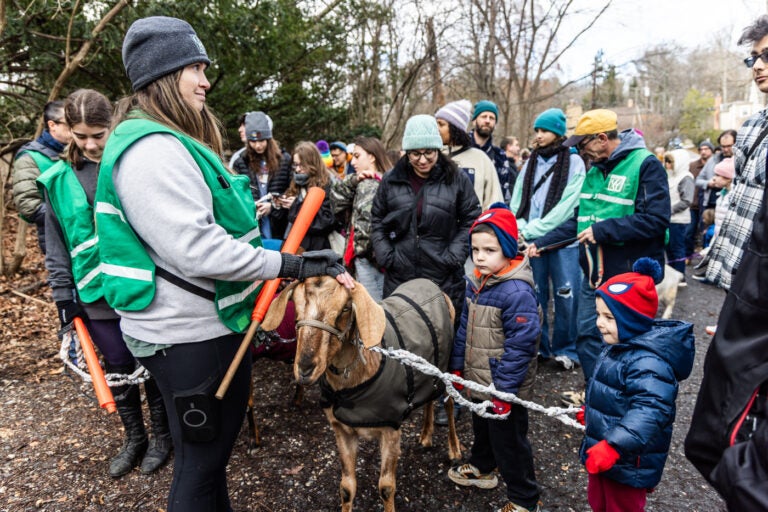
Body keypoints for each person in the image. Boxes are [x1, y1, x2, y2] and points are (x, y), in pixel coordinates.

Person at [94, 16, 353, 511]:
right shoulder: (152, 150)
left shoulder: (163, 142)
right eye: (195, 67)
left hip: (194, 330)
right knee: (200, 464)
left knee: (207, 462)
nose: (206, 80)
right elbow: (199, 249)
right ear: (164, 76)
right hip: (189, 336)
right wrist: (290, 264)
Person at [37, 88, 172, 478]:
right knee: (117, 365)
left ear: (112, 123)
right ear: (67, 132)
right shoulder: (59, 178)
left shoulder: (131, 162)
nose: (92, 144)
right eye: (81, 136)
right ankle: (135, 438)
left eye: (98, 133)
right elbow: (57, 243)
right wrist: (64, 297)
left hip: (140, 284)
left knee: (150, 361)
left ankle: (163, 436)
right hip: (94, 292)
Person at [530, 109, 670, 406]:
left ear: (603, 139)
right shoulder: (594, 172)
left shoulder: (645, 165)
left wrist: (605, 230)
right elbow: (579, 222)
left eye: (583, 145)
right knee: (587, 335)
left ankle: (630, 401)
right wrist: (543, 242)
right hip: (593, 274)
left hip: (628, 274)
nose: (580, 152)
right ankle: (595, 395)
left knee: (627, 341)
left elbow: (657, 220)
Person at [447, 205, 542, 512]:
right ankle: (483, 468)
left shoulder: (516, 291)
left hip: (504, 388)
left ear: (509, 249)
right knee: (482, 429)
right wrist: (458, 367)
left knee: (510, 442)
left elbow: (521, 346)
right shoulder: (479, 282)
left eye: (490, 250)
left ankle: (524, 498)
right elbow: (465, 327)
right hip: (480, 381)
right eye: (475, 249)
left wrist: (504, 391)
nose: (480, 256)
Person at [581, 257, 694, 512]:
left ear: (632, 320)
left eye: (609, 317)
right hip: (606, 454)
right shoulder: (617, 346)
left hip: (628, 462)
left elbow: (650, 411)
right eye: (599, 314)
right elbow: (611, 391)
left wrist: (613, 445)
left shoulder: (649, 362)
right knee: (599, 501)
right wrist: (593, 412)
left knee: (621, 506)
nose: (599, 323)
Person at [371, 114, 481, 318]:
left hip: (443, 276)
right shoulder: (391, 180)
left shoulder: (456, 178)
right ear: (407, 152)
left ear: (438, 149)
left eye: (429, 152)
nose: (422, 160)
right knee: (401, 338)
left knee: (443, 337)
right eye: (415, 154)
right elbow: (377, 220)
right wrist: (387, 255)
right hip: (400, 276)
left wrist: (453, 256)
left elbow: (471, 219)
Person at [511, 108, 585, 370]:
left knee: (567, 295)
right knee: (536, 294)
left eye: (544, 130)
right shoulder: (531, 161)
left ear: (557, 132)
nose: (539, 136)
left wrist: (534, 229)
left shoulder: (574, 161)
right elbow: (519, 197)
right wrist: (519, 224)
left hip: (562, 241)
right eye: (537, 131)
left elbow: (567, 205)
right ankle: (540, 348)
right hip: (531, 239)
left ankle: (567, 349)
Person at [330, 136, 392, 301]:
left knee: (373, 309)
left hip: (368, 261)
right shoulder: (386, 180)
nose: (352, 162)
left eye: (357, 156)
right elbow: (336, 198)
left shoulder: (369, 185)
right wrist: (354, 180)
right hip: (378, 259)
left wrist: (362, 253)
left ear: (372, 156)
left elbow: (365, 229)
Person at [12, 100, 72, 253]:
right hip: (57, 242)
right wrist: (73, 213)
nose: (74, 128)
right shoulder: (30, 158)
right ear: (52, 125)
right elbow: (28, 205)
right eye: (69, 123)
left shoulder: (78, 151)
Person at [232, 111, 292, 240]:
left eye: (261, 140)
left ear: (269, 139)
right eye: (253, 141)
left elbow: (291, 191)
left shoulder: (284, 160)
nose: (258, 145)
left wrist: (274, 207)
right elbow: (237, 195)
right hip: (254, 224)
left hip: (279, 225)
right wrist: (251, 206)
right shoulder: (241, 162)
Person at [435, 99, 504, 210]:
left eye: (441, 124)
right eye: (435, 123)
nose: (436, 128)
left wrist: (485, 226)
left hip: (473, 225)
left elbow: (494, 202)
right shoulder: (430, 157)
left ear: (454, 128)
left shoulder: (481, 159)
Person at [272, 141, 337, 251]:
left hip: (317, 247)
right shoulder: (296, 182)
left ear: (312, 163)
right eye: (296, 165)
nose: (297, 170)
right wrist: (279, 204)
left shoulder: (327, 183)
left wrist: (295, 206)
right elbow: (286, 221)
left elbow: (325, 222)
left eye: (301, 165)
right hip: (295, 245)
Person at [470, 100, 513, 205]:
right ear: (474, 120)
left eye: (492, 118)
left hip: (488, 215)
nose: (488, 121)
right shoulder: (460, 149)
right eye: (484, 116)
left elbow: (503, 194)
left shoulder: (500, 156)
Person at [663, 149, 694, 280]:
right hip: (669, 219)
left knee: (677, 249)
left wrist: (668, 210)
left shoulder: (686, 177)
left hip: (678, 220)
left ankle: (680, 277)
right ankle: (672, 277)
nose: (667, 164)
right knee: (669, 249)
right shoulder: (672, 176)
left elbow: (687, 200)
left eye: (670, 161)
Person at [686, 141, 714, 258]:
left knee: (706, 232)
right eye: (701, 149)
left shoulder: (715, 163)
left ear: (711, 150)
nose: (703, 151)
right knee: (689, 232)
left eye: (706, 149)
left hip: (708, 205)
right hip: (693, 203)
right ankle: (687, 256)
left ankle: (704, 257)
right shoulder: (693, 165)